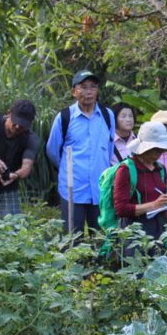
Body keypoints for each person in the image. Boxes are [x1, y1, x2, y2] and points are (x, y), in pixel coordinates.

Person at [46, 70, 116, 233]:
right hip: (73, 188)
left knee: (100, 237)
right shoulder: (64, 117)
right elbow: (52, 151)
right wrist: (68, 168)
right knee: (72, 237)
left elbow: (109, 149)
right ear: (74, 92)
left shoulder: (107, 115)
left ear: (97, 91)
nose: (89, 92)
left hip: (100, 188)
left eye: (93, 87)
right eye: (83, 87)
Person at [112, 121, 167, 245]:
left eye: (161, 150)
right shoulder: (126, 170)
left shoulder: (160, 169)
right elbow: (121, 209)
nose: (159, 154)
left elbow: (159, 199)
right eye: (155, 150)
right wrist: (154, 205)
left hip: (159, 230)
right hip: (134, 233)